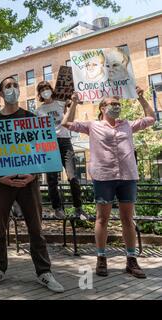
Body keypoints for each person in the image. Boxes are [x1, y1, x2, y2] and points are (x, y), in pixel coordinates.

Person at [62, 87, 156, 279]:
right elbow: (66, 124)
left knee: (127, 219)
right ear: (102, 107)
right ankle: (101, 258)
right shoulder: (93, 126)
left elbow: (151, 118)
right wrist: (73, 102)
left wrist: (141, 97)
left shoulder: (127, 125)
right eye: (112, 104)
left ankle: (131, 260)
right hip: (104, 177)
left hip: (128, 177)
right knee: (102, 219)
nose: (116, 106)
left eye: (118, 104)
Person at [0, 76, 64, 293]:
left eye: (15, 85)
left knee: (36, 229)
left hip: (29, 182)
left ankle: (44, 272)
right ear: (0, 94)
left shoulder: (32, 118)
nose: (12, 89)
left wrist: (34, 174)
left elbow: (43, 151)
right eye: (7, 86)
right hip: (2, 183)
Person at [35, 81, 88, 220]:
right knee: (52, 180)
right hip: (49, 144)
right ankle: (58, 209)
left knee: (73, 176)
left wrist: (74, 100)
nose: (45, 91)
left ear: (51, 90)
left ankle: (78, 208)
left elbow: (75, 109)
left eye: (47, 88)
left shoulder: (60, 103)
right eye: (42, 89)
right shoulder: (38, 111)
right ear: (39, 93)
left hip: (65, 141)